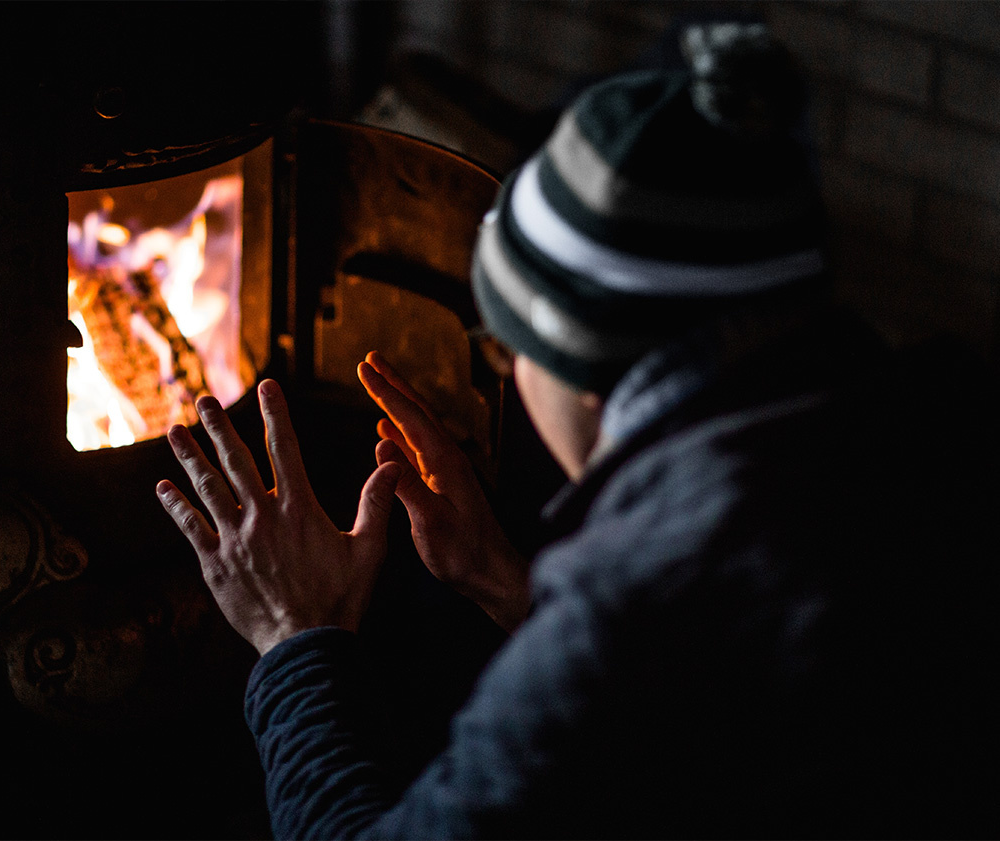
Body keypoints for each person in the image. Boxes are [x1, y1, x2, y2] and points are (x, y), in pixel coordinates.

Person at [157, 23, 996, 839]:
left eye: (509, 343)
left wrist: (294, 633)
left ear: (583, 362)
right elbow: (697, 730)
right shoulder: (929, 426)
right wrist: (503, 580)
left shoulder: (629, 606)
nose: (511, 376)